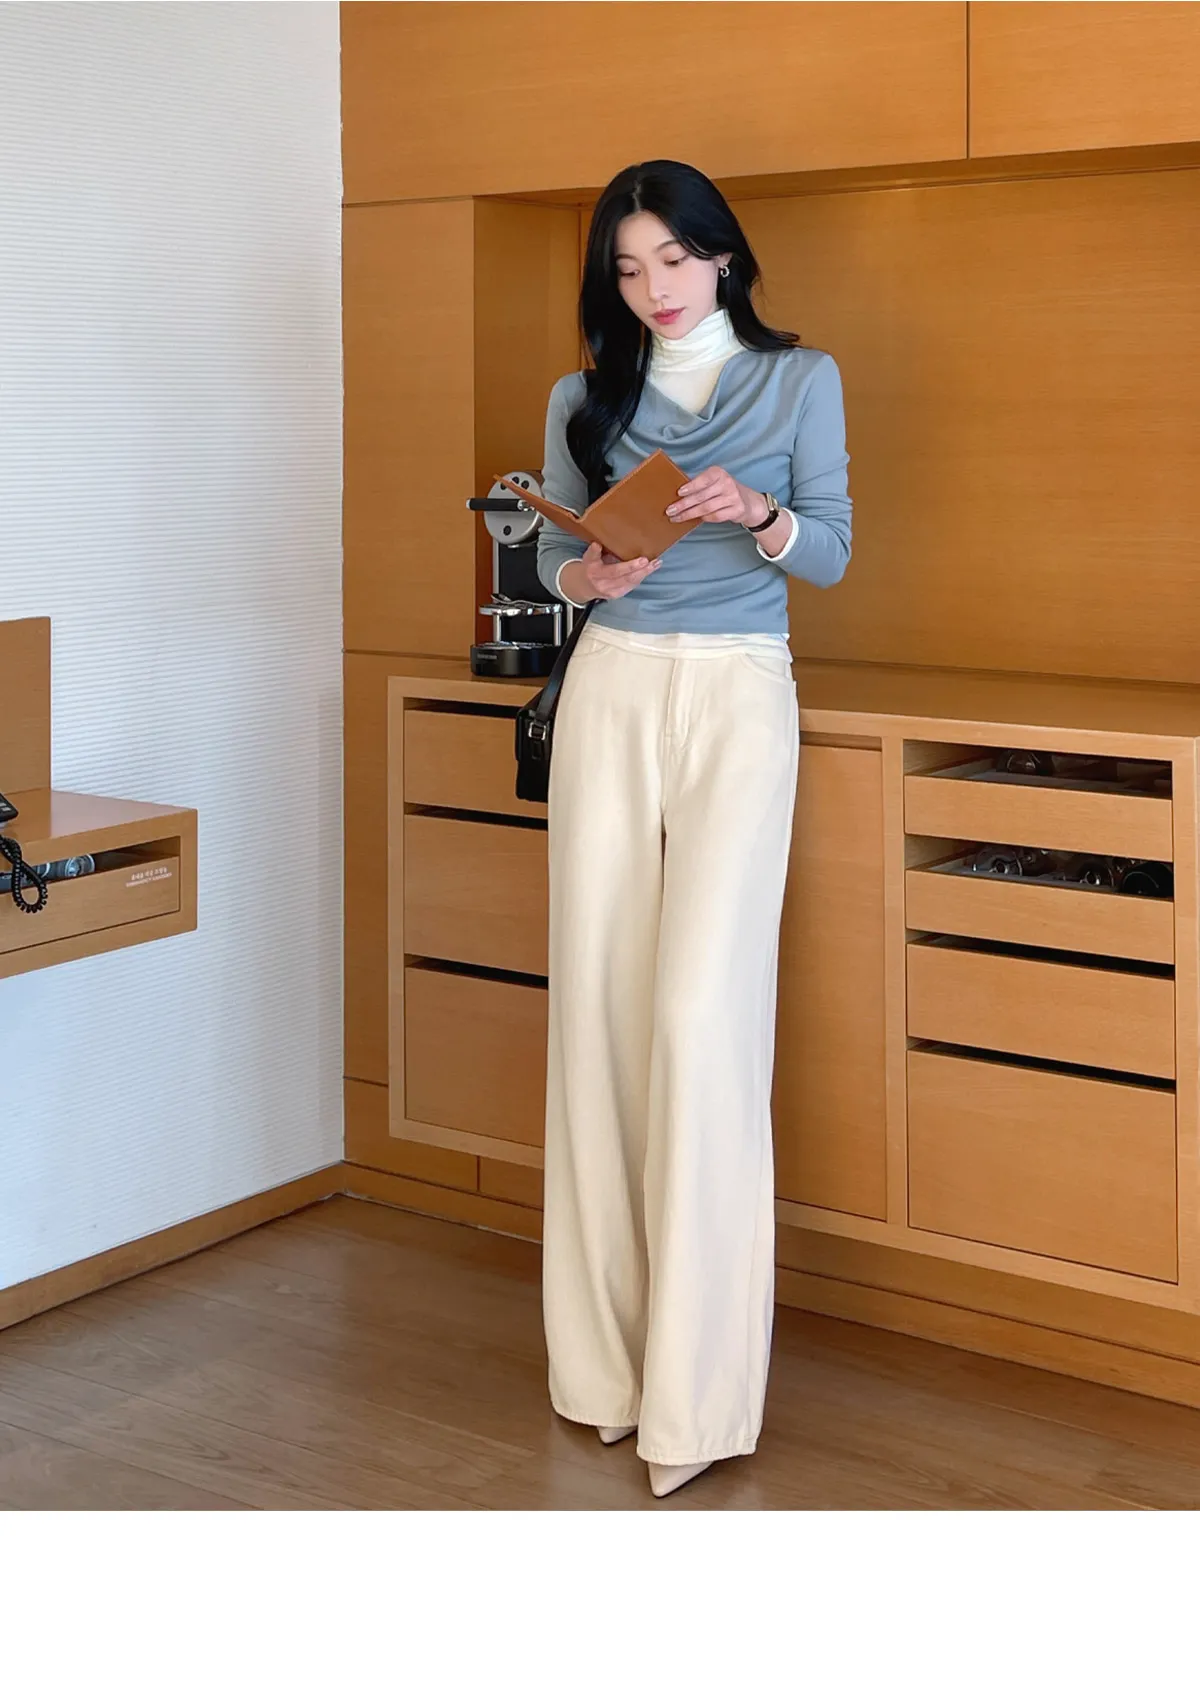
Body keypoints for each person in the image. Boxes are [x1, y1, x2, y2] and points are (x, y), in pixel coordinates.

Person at [535, 158, 852, 1498]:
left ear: (722, 256)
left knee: (699, 1020)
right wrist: (587, 570)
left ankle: (697, 1398)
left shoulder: (800, 379)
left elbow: (833, 548)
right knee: (599, 1012)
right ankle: (603, 1374)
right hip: (611, 686)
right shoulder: (585, 398)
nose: (652, 288)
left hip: (738, 692)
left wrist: (762, 515)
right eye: (627, 268)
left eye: (672, 258)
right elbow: (549, 561)